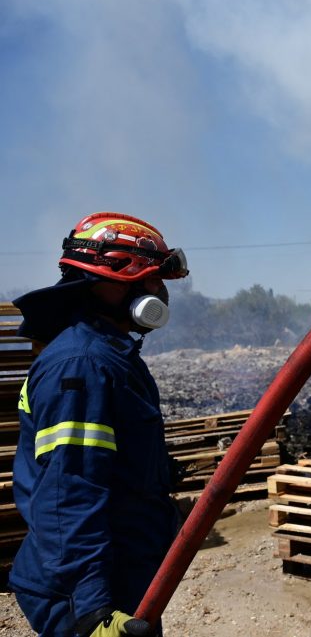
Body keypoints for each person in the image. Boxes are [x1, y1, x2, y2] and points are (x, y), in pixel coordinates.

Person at [10, 212, 190, 637]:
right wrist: (93, 613)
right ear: (113, 280)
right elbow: (69, 491)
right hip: (88, 592)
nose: (159, 291)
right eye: (150, 279)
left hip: (119, 574)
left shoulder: (107, 354)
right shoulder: (83, 365)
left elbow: (113, 468)